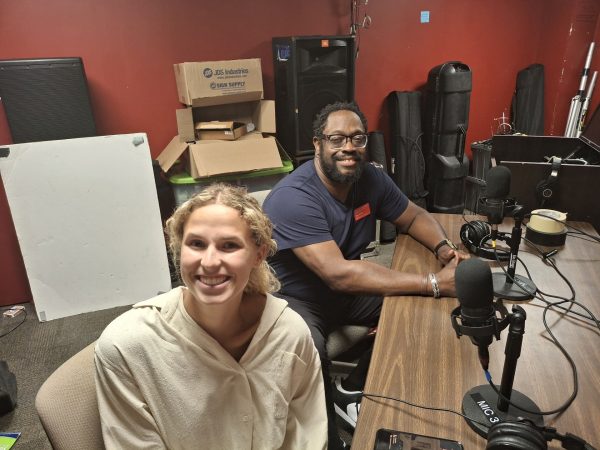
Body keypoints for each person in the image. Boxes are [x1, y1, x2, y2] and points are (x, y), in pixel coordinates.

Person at [262, 101, 469, 449]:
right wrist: (432, 282)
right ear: (318, 144)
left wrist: (443, 248)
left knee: (416, 310)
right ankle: (326, 437)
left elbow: (413, 216)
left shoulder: (369, 177)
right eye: (336, 139)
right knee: (306, 349)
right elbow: (338, 274)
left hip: (345, 290)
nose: (348, 148)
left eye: (357, 138)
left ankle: (351, 388)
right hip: (295, 297)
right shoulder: (293, 198)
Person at [94, 183, 328, 450]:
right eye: (196, 244)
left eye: (229, 245)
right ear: (179, 249)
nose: (209, 262)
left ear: (258, 255)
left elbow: (308, 434)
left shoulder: (289, 332)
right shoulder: (126, 347)